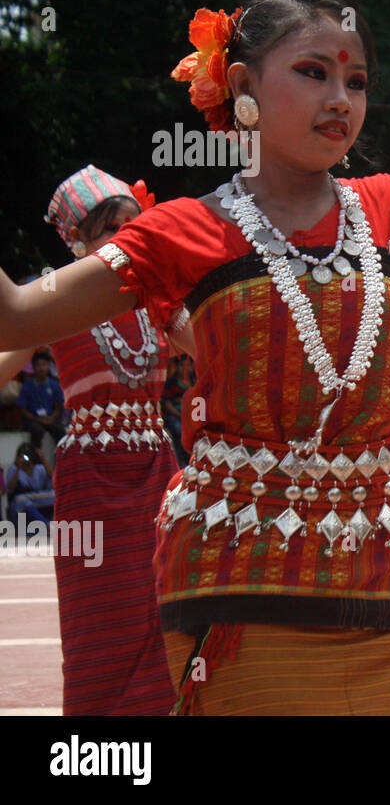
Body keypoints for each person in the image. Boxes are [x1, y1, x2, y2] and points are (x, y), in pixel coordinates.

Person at [0, 0, 390, 716]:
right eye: (312, 72)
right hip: (237, 574)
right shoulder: (182, 232)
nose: (341, 99)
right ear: (241, 87)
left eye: (355, 81)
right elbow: (15, 320)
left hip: (383, 569)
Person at [0, 165, 180, 714]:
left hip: (156, 470)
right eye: (112, 229)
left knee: (164, 606)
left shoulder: (160, 298)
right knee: (97, 613)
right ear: (77, 239)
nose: (129, 239)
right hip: (91, 479)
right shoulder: (60, 297)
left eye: (135, 225)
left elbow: (227, 343)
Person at [18, 352, 66, 457]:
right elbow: (23, 409)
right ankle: (36, 461)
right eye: (38, 365)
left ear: (49, 366)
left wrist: (51, 418)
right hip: (33, 420)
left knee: (61, 431)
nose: (41, 368)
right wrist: (37, 419)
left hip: (50, 419)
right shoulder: (27, 386)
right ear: (33, 367)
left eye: (44, 364)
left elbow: (58, 407)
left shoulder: (54, 385)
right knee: (37, 431)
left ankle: (61, 458)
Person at [4, 443, 54, 525]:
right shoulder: (14, 469)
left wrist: (43, 459)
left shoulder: (39, 468)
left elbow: (52, 477)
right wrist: (18, 467)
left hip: (37, 497)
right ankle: (46, 524)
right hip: (21, 499)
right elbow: (10, 488)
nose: (26, 459)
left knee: (54, 495)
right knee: (21, 500)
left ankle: (55, 522)